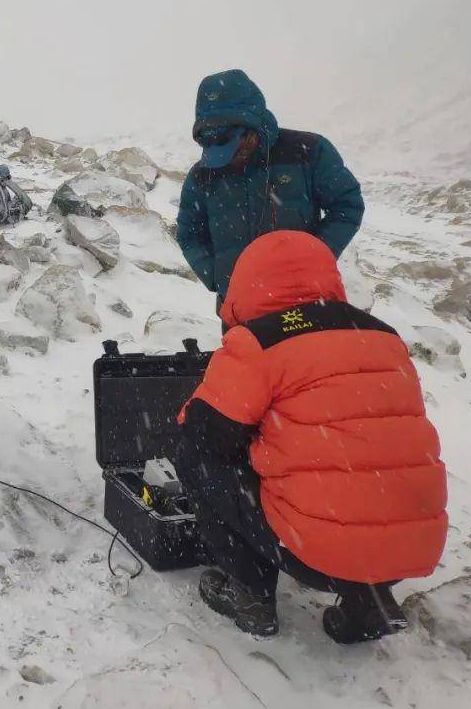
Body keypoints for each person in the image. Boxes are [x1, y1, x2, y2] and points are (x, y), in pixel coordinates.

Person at [175, 230, 447, 643]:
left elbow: (204, 434)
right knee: (361, 474)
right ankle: (367, 598)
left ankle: (251, 596)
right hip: (414, 546)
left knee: (195, 456)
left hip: (315, 553)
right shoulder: (383, 336)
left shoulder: (259, 341)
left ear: (246, 283)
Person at [176, 69, 365, 322]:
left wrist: (313, 259)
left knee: (307, 362)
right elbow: (189, 233)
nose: (228, 157)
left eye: (233, 146)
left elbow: (347, 205)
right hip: (238, 306)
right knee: (245, 362)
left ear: (252, 124)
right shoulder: (202, 176)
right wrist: (218, 277)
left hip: (305, 299)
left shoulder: (306, 152)